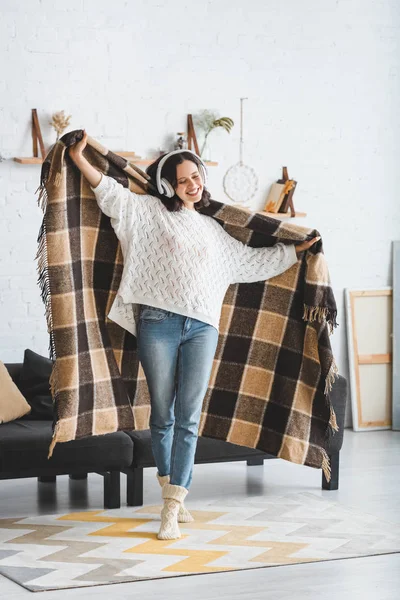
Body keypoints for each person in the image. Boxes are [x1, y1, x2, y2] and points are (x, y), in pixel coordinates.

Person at [68, 130, 320, 541]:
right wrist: (80, 157)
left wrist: (296, 251)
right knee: (163, 415)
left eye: (196, 177)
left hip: (202, 328)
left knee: (188, 416)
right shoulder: (146, 212)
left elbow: (251, 263)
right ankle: (171, 489)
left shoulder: (212, 230)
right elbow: (108, 192)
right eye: (183, 179)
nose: (193, 184)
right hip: (158, 324)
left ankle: (173, 504)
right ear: (168, 183)